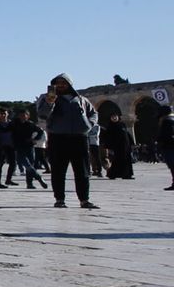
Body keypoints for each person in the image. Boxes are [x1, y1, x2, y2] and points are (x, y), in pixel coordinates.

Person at [37, 74, 98, 209]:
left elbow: (93, 113)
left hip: (79, 137)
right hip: (58, 137)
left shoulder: (81, 99)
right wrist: (49, 102)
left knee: (82, 171)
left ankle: (84, 199)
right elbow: (42, 114)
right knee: (58, 170)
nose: (60, 85)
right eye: (57, 83)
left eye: (63, 82)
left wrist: (89, 124)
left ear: (69, 84)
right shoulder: (46, 97)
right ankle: (59, 199)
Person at [9, 109, 45, 189]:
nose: (22, 117)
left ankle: (30, 183)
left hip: (29, 146)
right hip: (19, 147)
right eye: (21, 115)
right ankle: (38, 177)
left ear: (28, 116)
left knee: (30, 165)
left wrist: (35, 139)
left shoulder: (31, 124)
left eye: (24, 115)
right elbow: (7, 130)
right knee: (26, 164)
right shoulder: (14, 124)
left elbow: (40, 132)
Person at [102, 114, 136, 180]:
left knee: (127, 160)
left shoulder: (122, 125)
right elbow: (107, 138)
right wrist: (108, 146)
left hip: (126, 146)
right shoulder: (110, 126)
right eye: (112, 117)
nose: (114, 118)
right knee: (117, 160)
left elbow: (127, 134)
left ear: (118, 117)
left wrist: (132, 142)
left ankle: (127, 175)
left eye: (115, 116)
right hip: (117, 147)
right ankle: (112, 174)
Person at [156, 103, 174, 191]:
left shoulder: (166, 121)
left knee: (172, 165)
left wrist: (160, 141)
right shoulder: (171, 119)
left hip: (169, 146)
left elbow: (166, 135)